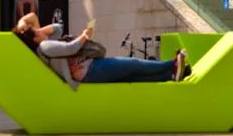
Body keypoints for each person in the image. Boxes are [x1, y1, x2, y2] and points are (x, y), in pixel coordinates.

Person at [13, 13, 188, 88]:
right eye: (35, 31)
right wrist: (85, 35)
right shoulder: (45, 46)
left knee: (131, 76)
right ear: (34, 39)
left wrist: (23, 24)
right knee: (132, 64)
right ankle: (171, 65)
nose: (39, 28)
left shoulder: (45, 42)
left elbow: (55, 25)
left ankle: (171, 75)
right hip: (88, 72)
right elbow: (71, 47)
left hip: (90, 69)